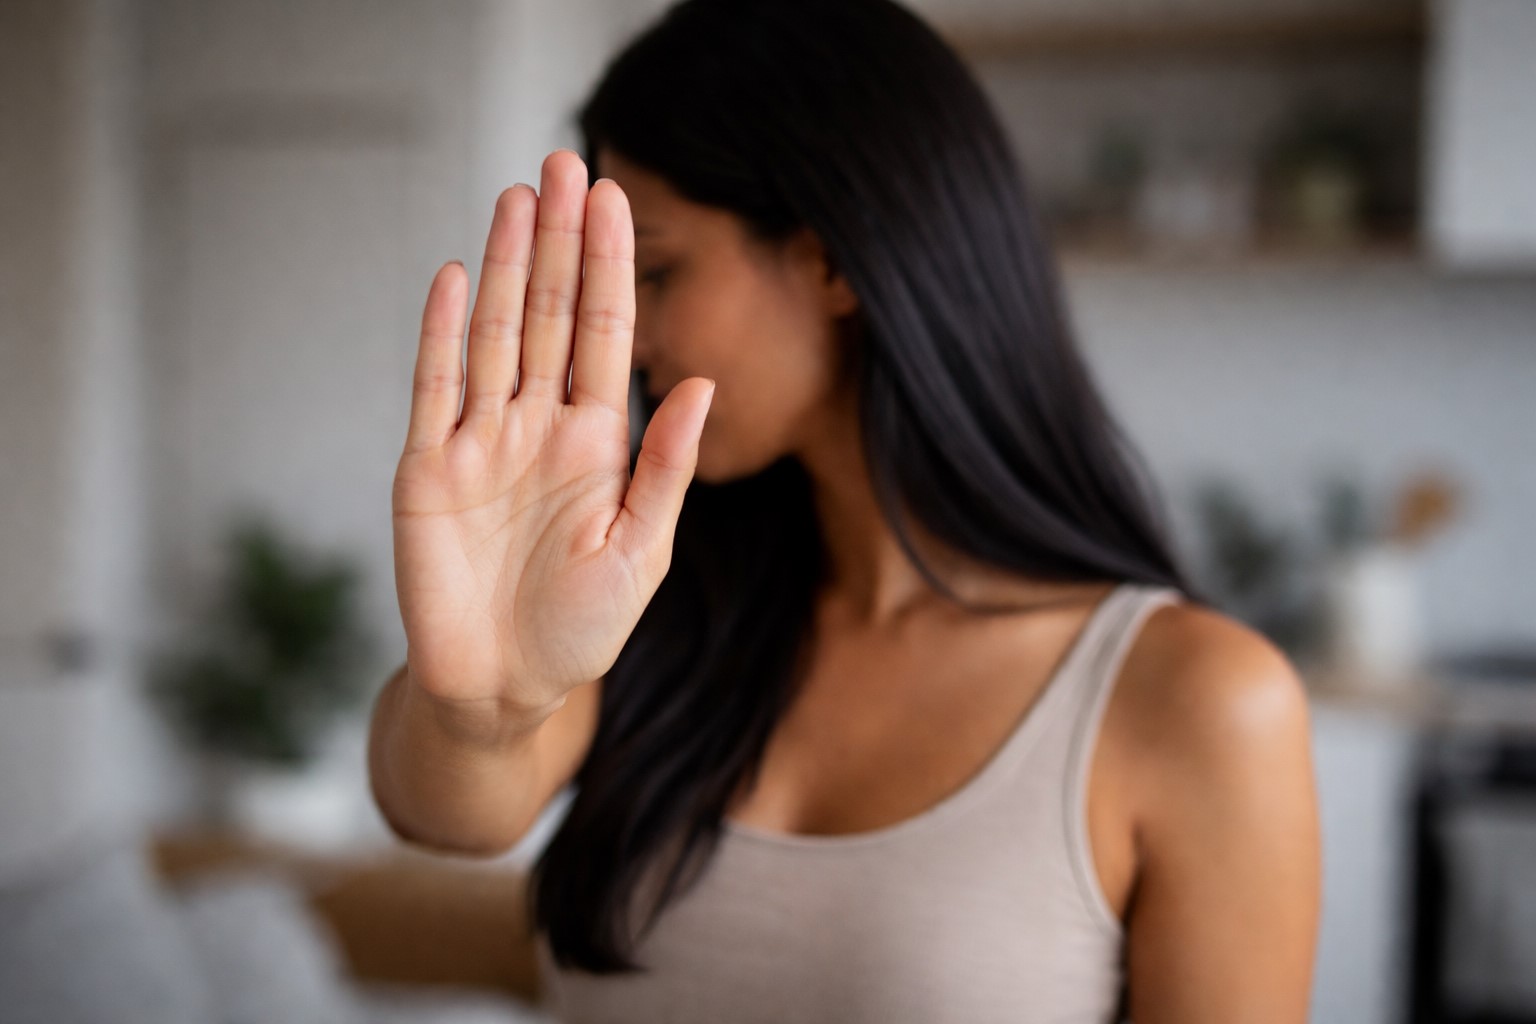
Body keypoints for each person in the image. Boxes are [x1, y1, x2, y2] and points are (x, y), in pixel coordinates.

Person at [367, 0, 1321, 1020]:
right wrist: (480, 707)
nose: (628, 336)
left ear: (828, 258)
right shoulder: (650, 598)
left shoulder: (1197, 702)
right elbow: (450, 818)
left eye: (657, 269)